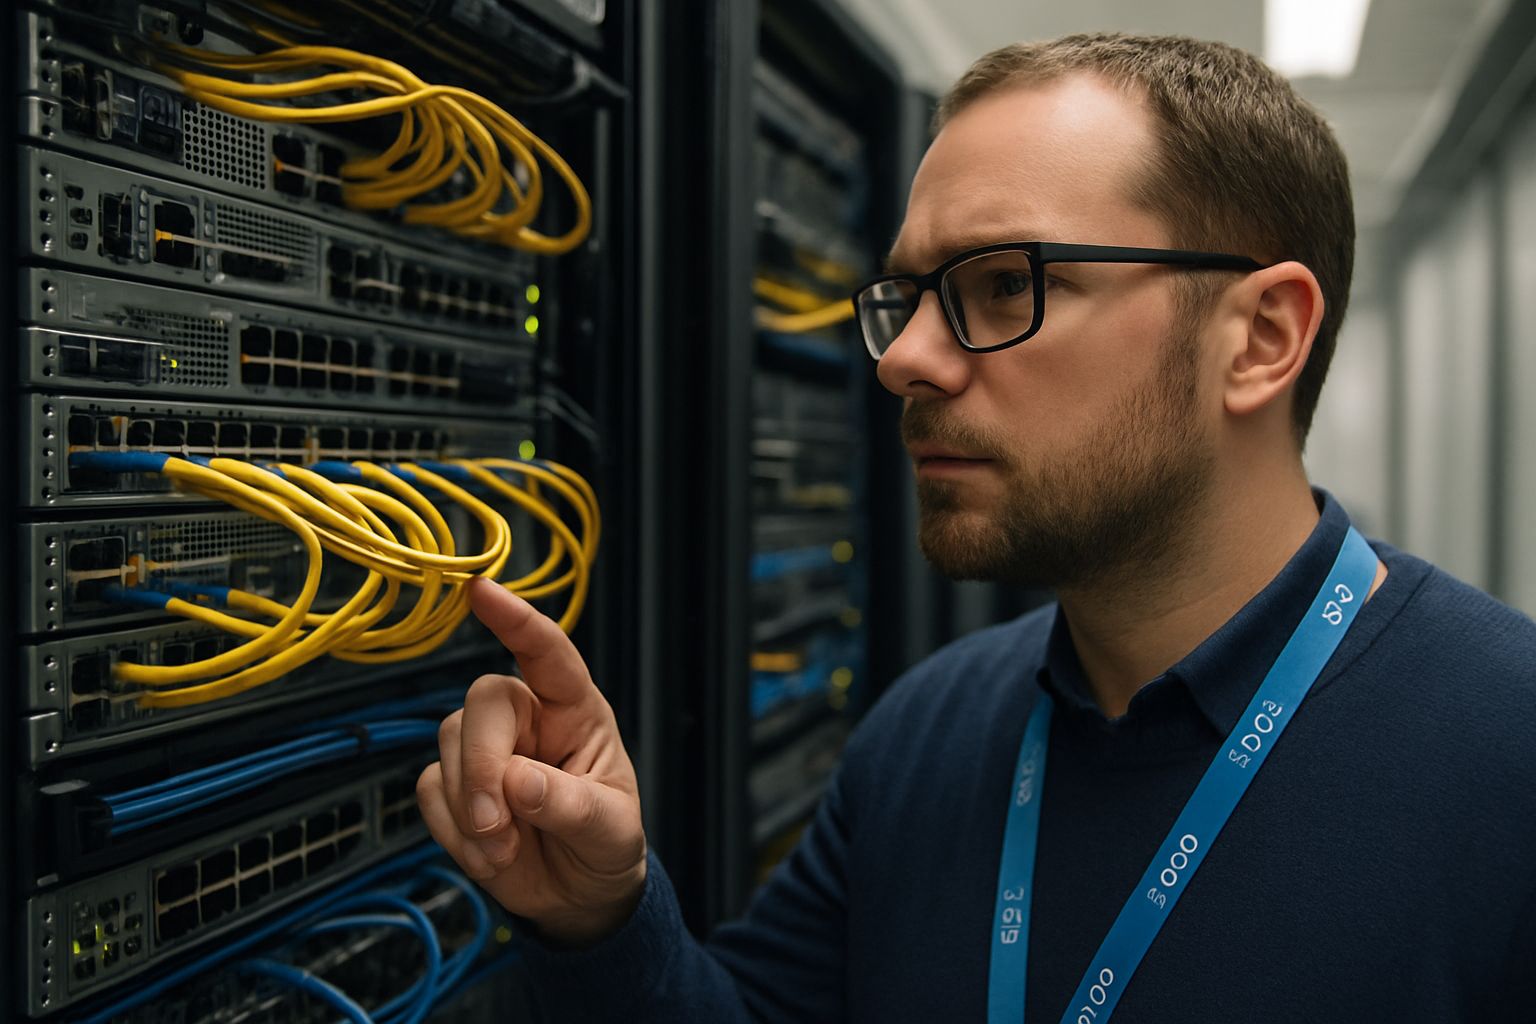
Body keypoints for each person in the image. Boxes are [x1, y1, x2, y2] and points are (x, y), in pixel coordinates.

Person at [416, 33, 1536, 1022]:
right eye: (906, 296)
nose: (903, 359)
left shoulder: (1506, 754)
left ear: (1259, 337)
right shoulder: (930, 732)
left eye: (1005, 285)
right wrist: (606, 918)